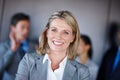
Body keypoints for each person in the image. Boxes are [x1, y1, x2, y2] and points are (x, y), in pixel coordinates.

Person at [15, 10, 90, 80]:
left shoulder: (82, 73)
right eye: (54, 30)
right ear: (47, 33)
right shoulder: (28, 61)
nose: (58, 36)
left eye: (65, 32)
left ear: (72, 37)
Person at [0, 13, 35, 80]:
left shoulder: (33, 45)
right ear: (13, 28)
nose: (26, 31)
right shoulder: (4, 46)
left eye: (28, 28)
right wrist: (12, 50)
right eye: (23, 27)